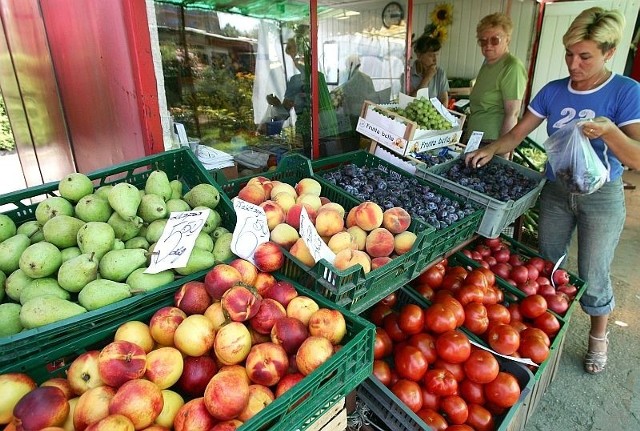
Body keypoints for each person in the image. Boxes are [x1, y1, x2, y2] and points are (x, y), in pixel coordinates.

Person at [465, 7, 640, 374]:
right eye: (569, 55)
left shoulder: (626, 92)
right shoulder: (553, 91)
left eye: (585, 56)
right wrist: (491, 148)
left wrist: (610, 132)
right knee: (546, 264)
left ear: (609, 52)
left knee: (594, 270)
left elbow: (638, 159)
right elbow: (517, 132)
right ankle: (545, 332)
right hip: (557, 190)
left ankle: (597, 337)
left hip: (602, 195)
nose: (574, 64)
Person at [465, 13, 528, 144]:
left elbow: (512, 114)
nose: (488, 45)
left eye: (495, 40)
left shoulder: (512, 67)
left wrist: (502, 151)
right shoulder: (488, 64)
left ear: (507, 39)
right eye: (483, 41)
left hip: (490, 142)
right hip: (475, 138)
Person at [402, 34, 449, 106]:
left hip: (434, 115)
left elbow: (444, 100)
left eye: (436, 55)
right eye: (430, 55)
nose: (435, 59)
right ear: (419, 55)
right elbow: (408, 102)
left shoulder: (440, 73)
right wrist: (427, 78)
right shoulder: (407, 74)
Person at [340, 54, 376, 128]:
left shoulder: (346, 79)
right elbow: (373, 98)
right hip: (364, 115)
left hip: (351, 115)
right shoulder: (367, 79)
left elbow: (343, 98)